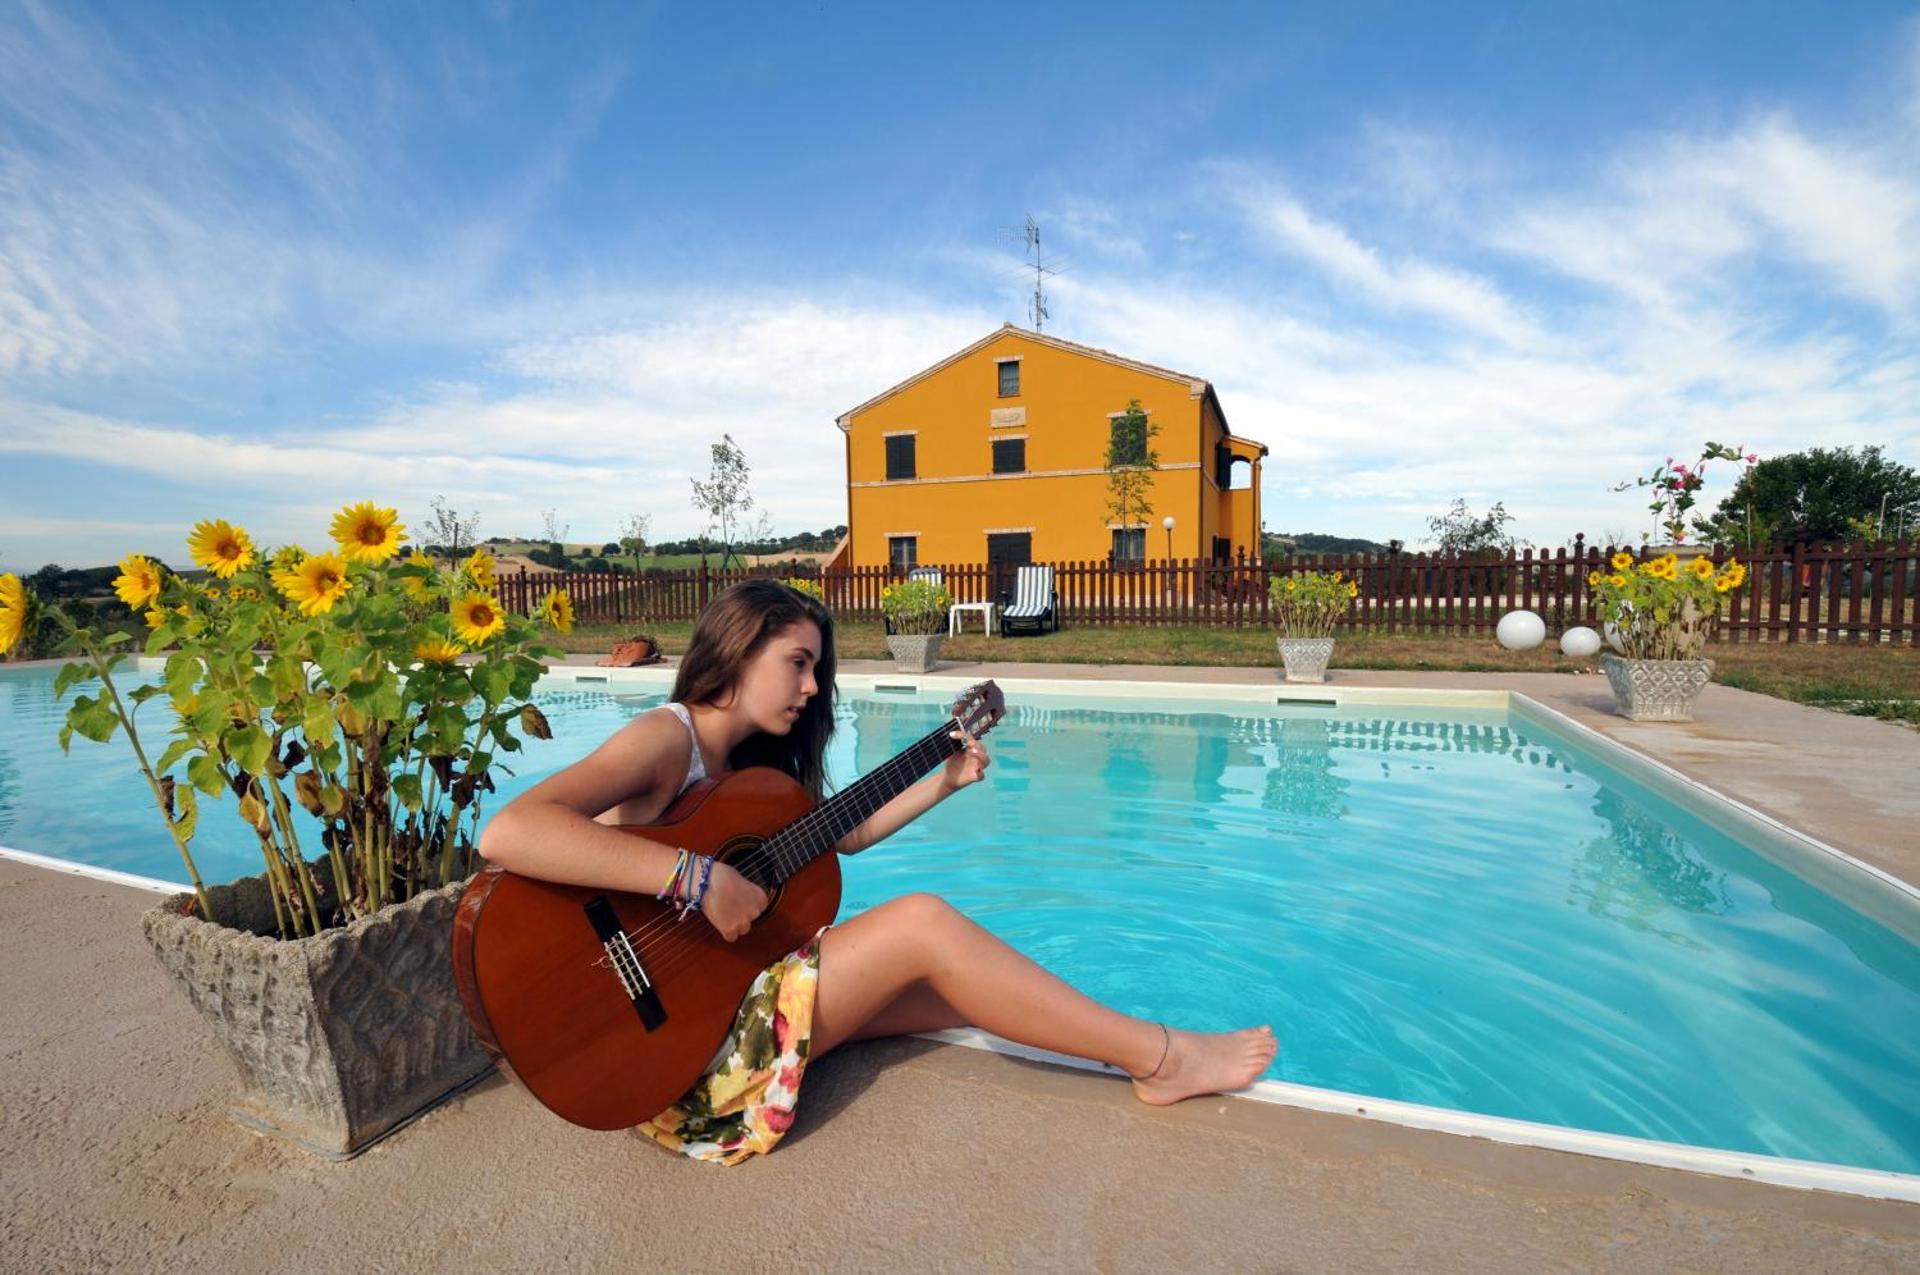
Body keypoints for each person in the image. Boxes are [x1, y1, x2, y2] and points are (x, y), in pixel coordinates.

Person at [478, 579, 1277, 1163]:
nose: (812, 686)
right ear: (738, 647)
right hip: (677, 1076)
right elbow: (510, 829)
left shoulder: (745, 771)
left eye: (816, 669)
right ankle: (1161, 1056)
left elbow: (842, 836)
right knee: (923, 921)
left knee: (942, 991)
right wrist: (695, 877)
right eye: (796, 662)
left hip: (692, 1040)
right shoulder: (665, 738)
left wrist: (944, 775)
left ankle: (1125, 1049)